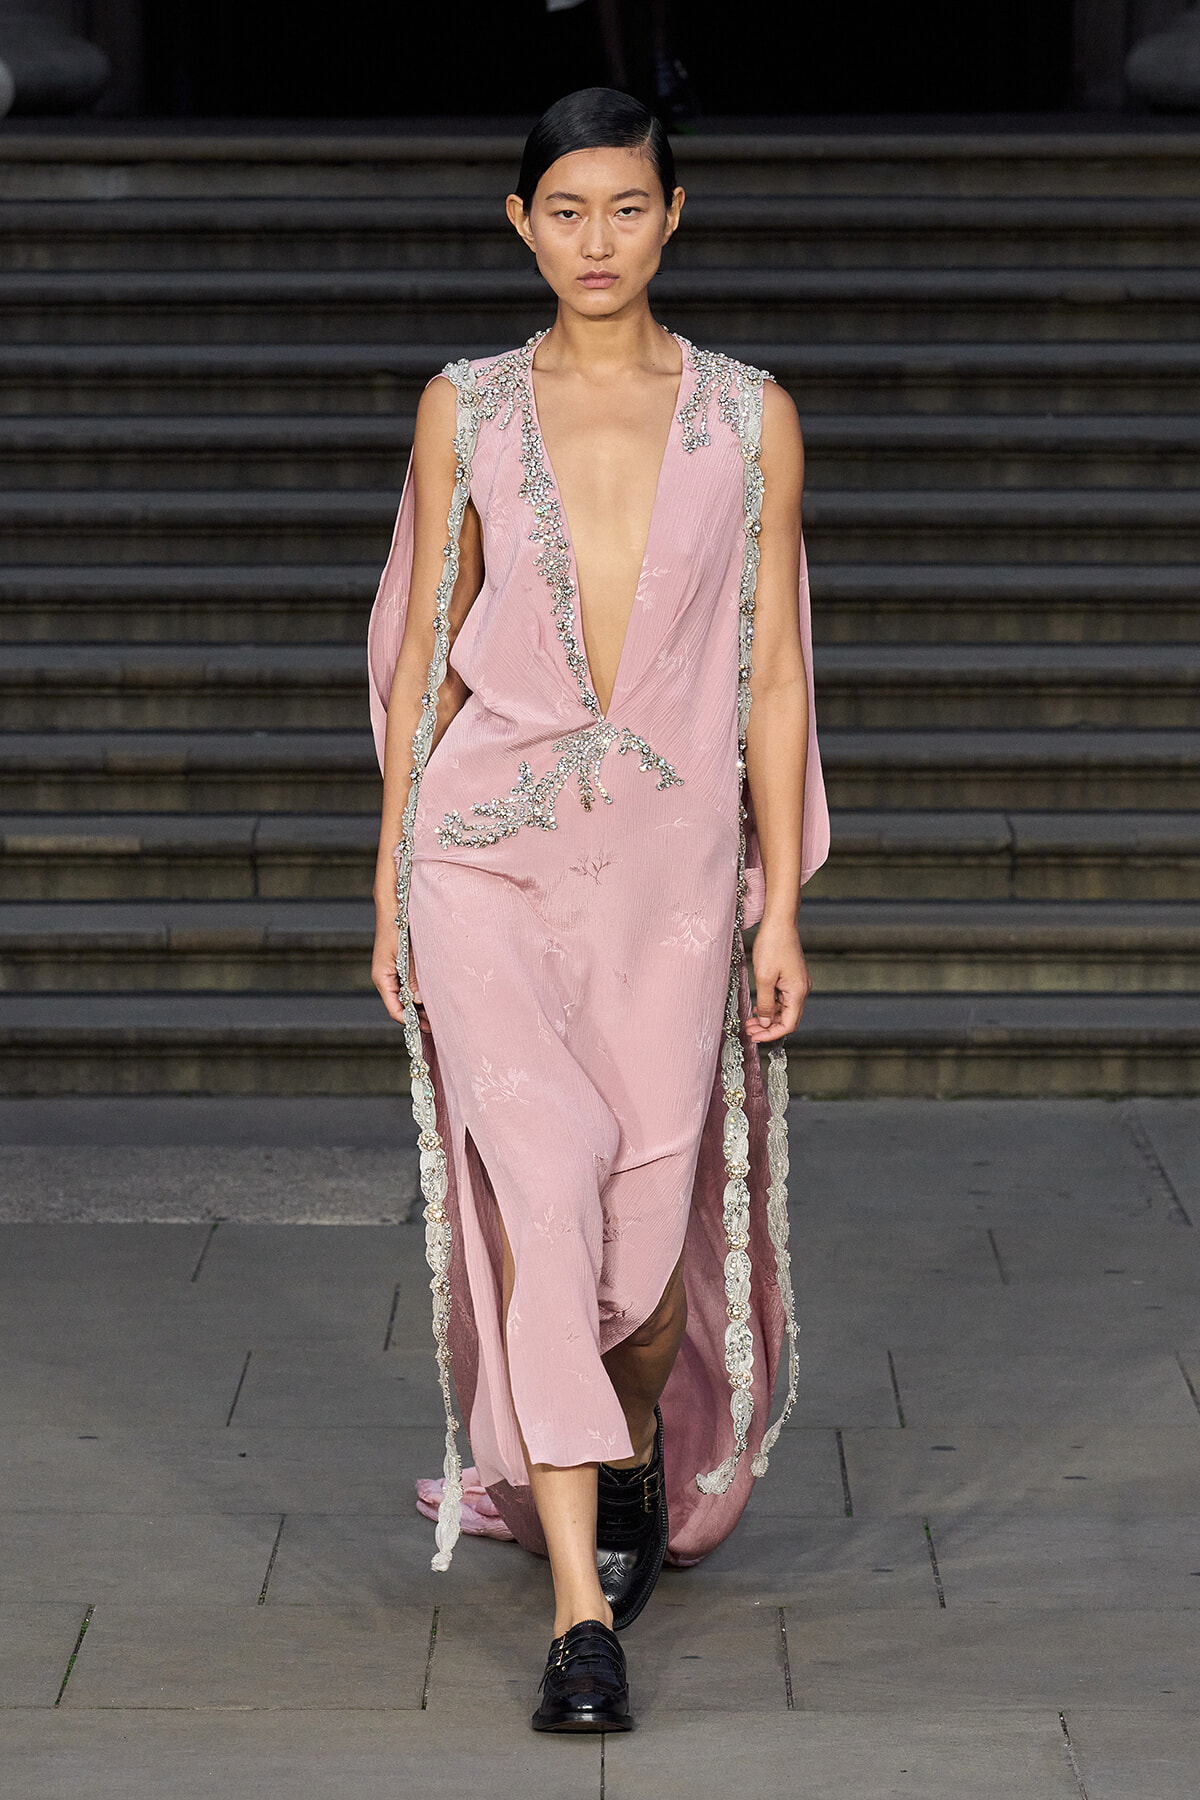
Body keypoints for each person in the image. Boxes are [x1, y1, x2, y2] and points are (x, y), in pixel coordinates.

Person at [368, 86, 828, 1734]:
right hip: (484, 851)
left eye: (626, 208)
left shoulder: (750, 414)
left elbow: (772, 667)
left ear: (674, 216)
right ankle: (580, 1622)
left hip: (673, 875)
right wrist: (389, 880)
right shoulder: (466, 407)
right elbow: (424, 652)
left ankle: (623, 1441)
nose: (596, 240)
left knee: (639, 1260)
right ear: (521, 224)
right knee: (547, 1191)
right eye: (565, 210)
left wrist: (779, 904)